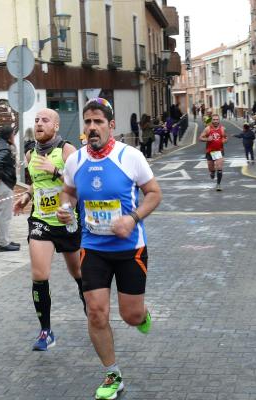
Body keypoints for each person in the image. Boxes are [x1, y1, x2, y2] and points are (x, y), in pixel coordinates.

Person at [57, 97, 162, 400]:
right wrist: (66, 208)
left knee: (130, 316)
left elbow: (154, 194)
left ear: (111, 126)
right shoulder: (75, 160)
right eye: (88, 121)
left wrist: (132, 218)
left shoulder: (130, 156)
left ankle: (142, 316)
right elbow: (69, 192)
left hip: (131, 248)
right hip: (93, 247)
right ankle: (112, 374)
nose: (92, 127)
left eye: (98, 122)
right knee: (97, 314)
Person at [13, 108, 86, 351]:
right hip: (41, 220)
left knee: (79, 274)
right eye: (36, 121)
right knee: (39, 274)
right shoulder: (30, 153)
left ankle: (93, 316)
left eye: (45, 120)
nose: (39, 124)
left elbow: (80, 182)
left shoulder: (67, 151)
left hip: (66, 222)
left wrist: (55, 170)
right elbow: (37, 183)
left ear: (56, 126)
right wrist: (26, 196)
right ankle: (46, 331)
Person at [199, 114, 227, 191]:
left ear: (219, 120)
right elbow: (200, 138)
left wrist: (224, 140)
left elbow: (225, 137)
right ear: (212, 120)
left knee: (219, 167)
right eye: (214, 120)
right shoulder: (208, 129)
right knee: (211, 167)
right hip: (210, 151)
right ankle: (212, 172)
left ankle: (218, 184)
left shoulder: (222, 129)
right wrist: (207, 139)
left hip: (219, 151)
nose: (215, 121)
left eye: (216, 119)